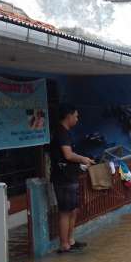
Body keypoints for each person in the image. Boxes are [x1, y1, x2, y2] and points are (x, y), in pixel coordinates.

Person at [50, 103, 95, 253]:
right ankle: (64, 245)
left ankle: (70, 240)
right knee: (65, 212)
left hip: (70, 177)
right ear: (68, 116)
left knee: (73, 210)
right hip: (63, 179)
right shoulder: (61, 132)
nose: (77, 119)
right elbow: (68, 155)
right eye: (75, 116)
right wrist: (83, 159)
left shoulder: (65, 132)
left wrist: (81, 163)